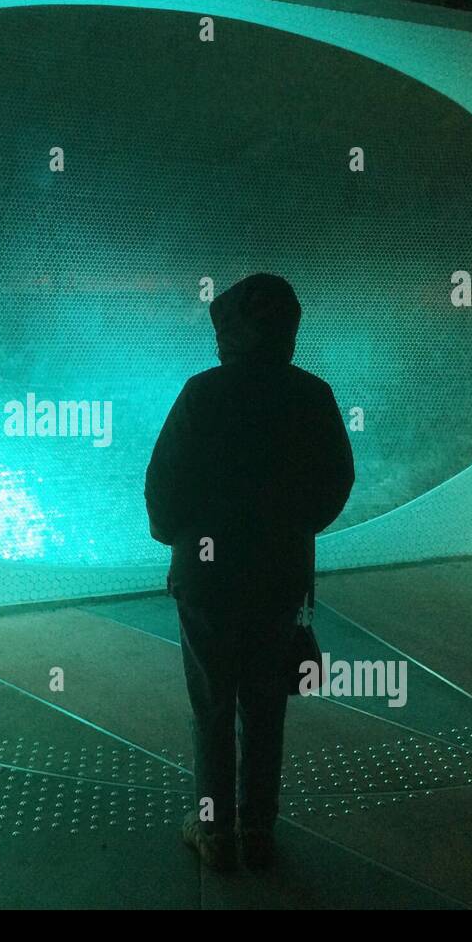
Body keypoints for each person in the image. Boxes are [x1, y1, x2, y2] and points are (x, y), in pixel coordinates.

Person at [145, 273, 354, 872]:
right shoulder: (313, 396)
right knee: (266, 704)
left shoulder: (202, 394)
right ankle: (259, 830)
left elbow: (164, 486)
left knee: (212, 701)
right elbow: (338, 479)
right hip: (279, 573)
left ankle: (214, 835)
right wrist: (295, 528)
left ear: (233, 331)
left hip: (206, 579)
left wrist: (177, 538)